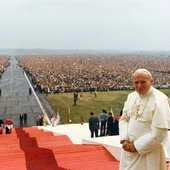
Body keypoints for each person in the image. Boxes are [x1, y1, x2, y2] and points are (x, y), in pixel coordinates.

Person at [119, 68, 170, 170]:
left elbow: (160, 131)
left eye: (143, 82)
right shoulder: (131, 96)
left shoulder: (160, 100)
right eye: (136, 82)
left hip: (148, 152)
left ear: (151, 82)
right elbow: (124, 119)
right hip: (128, 150)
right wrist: (124, 140)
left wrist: (137, 146)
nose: (139, 85)